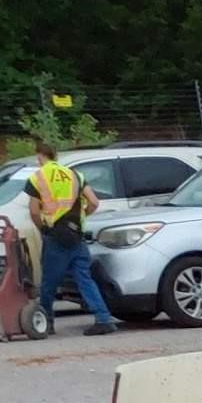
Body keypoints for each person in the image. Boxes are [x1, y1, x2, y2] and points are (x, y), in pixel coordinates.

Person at [23, 142, 117, 335]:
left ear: (40, 156)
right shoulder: (75, 175)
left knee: (49, 281)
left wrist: (43, 229)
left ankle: (46, 321)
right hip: (76, 235)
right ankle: (103, 318)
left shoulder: (37, 177)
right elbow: (94, 202)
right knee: (84, 278)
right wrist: (80, 219)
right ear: (56, 156)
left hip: (55, 236)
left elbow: (33, 211)